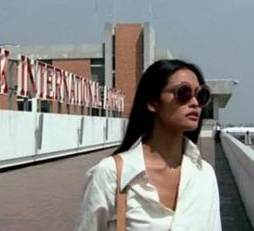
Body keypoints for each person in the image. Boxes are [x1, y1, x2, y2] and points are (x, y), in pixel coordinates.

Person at [75, 59, 221, 231]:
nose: (195, 103)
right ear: (153, 102)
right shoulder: (111, 175)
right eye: (184, 93)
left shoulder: (204, 176)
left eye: (201, 95)